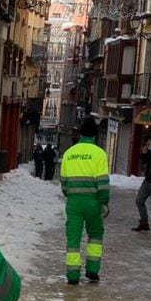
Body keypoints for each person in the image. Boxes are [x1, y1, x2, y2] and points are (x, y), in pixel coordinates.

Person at [59, 119, 109, 285]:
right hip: (93, 202)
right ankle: (92, 270)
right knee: (95, 235)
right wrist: (104, 202)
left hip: (73, 202)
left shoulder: (69, 153)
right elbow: (102, 181)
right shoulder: (99, 153)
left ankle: (73, 275)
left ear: (80, 133)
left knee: (73, 238)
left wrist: (71, 195)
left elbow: (64, 181)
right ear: (95, 135)